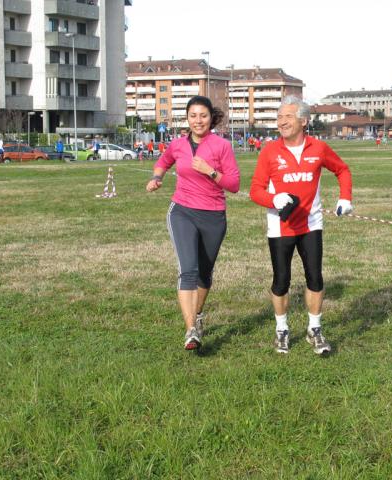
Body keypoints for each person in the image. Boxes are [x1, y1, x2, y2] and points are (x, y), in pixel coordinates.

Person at [250, 96, 353, 355]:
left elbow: (342, 170)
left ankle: (314, 329)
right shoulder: (270, 151)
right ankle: (282, 330)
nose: (281, 122)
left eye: (287, 117)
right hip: (280, 227)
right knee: (281, 280)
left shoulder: (318, 148)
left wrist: (345, 197)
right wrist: (274, 198)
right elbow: (255, 190)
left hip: (311, 224)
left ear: (303, 121)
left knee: (315, 277)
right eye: (279, 117)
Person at [146, 96, 240, 350]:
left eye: (203, 116)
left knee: (205, 272)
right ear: (187, 118)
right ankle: (191, 331)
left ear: (211, 118)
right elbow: (163, 161)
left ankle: (197, 315)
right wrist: (157, 177)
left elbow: (233, 185)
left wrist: (210, 171)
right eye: (193, 116)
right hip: (182, 212)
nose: (198, 121)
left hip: (213, 216)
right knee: (188, 269)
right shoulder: (177, 145)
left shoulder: (222, 146)